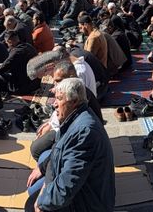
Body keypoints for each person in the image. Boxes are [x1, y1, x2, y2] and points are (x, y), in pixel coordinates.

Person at [26, 78, 115, 211]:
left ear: (74, 102)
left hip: (90, 204)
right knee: (36, 184)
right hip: (82, 192)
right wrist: (43, 171)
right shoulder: (74, 119)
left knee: (32, 205)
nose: (54, 104)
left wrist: (42, 203)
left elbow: (67, 186)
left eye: (59, 99)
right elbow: (57, 150)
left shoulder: (85, 133)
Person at [0, 30, 41, 95]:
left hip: (23, 88)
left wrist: (0, 65)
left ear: (9, 42)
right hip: (36, 83)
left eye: (7, 43)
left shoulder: (16, 53)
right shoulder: (28, 46)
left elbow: (1, 70)